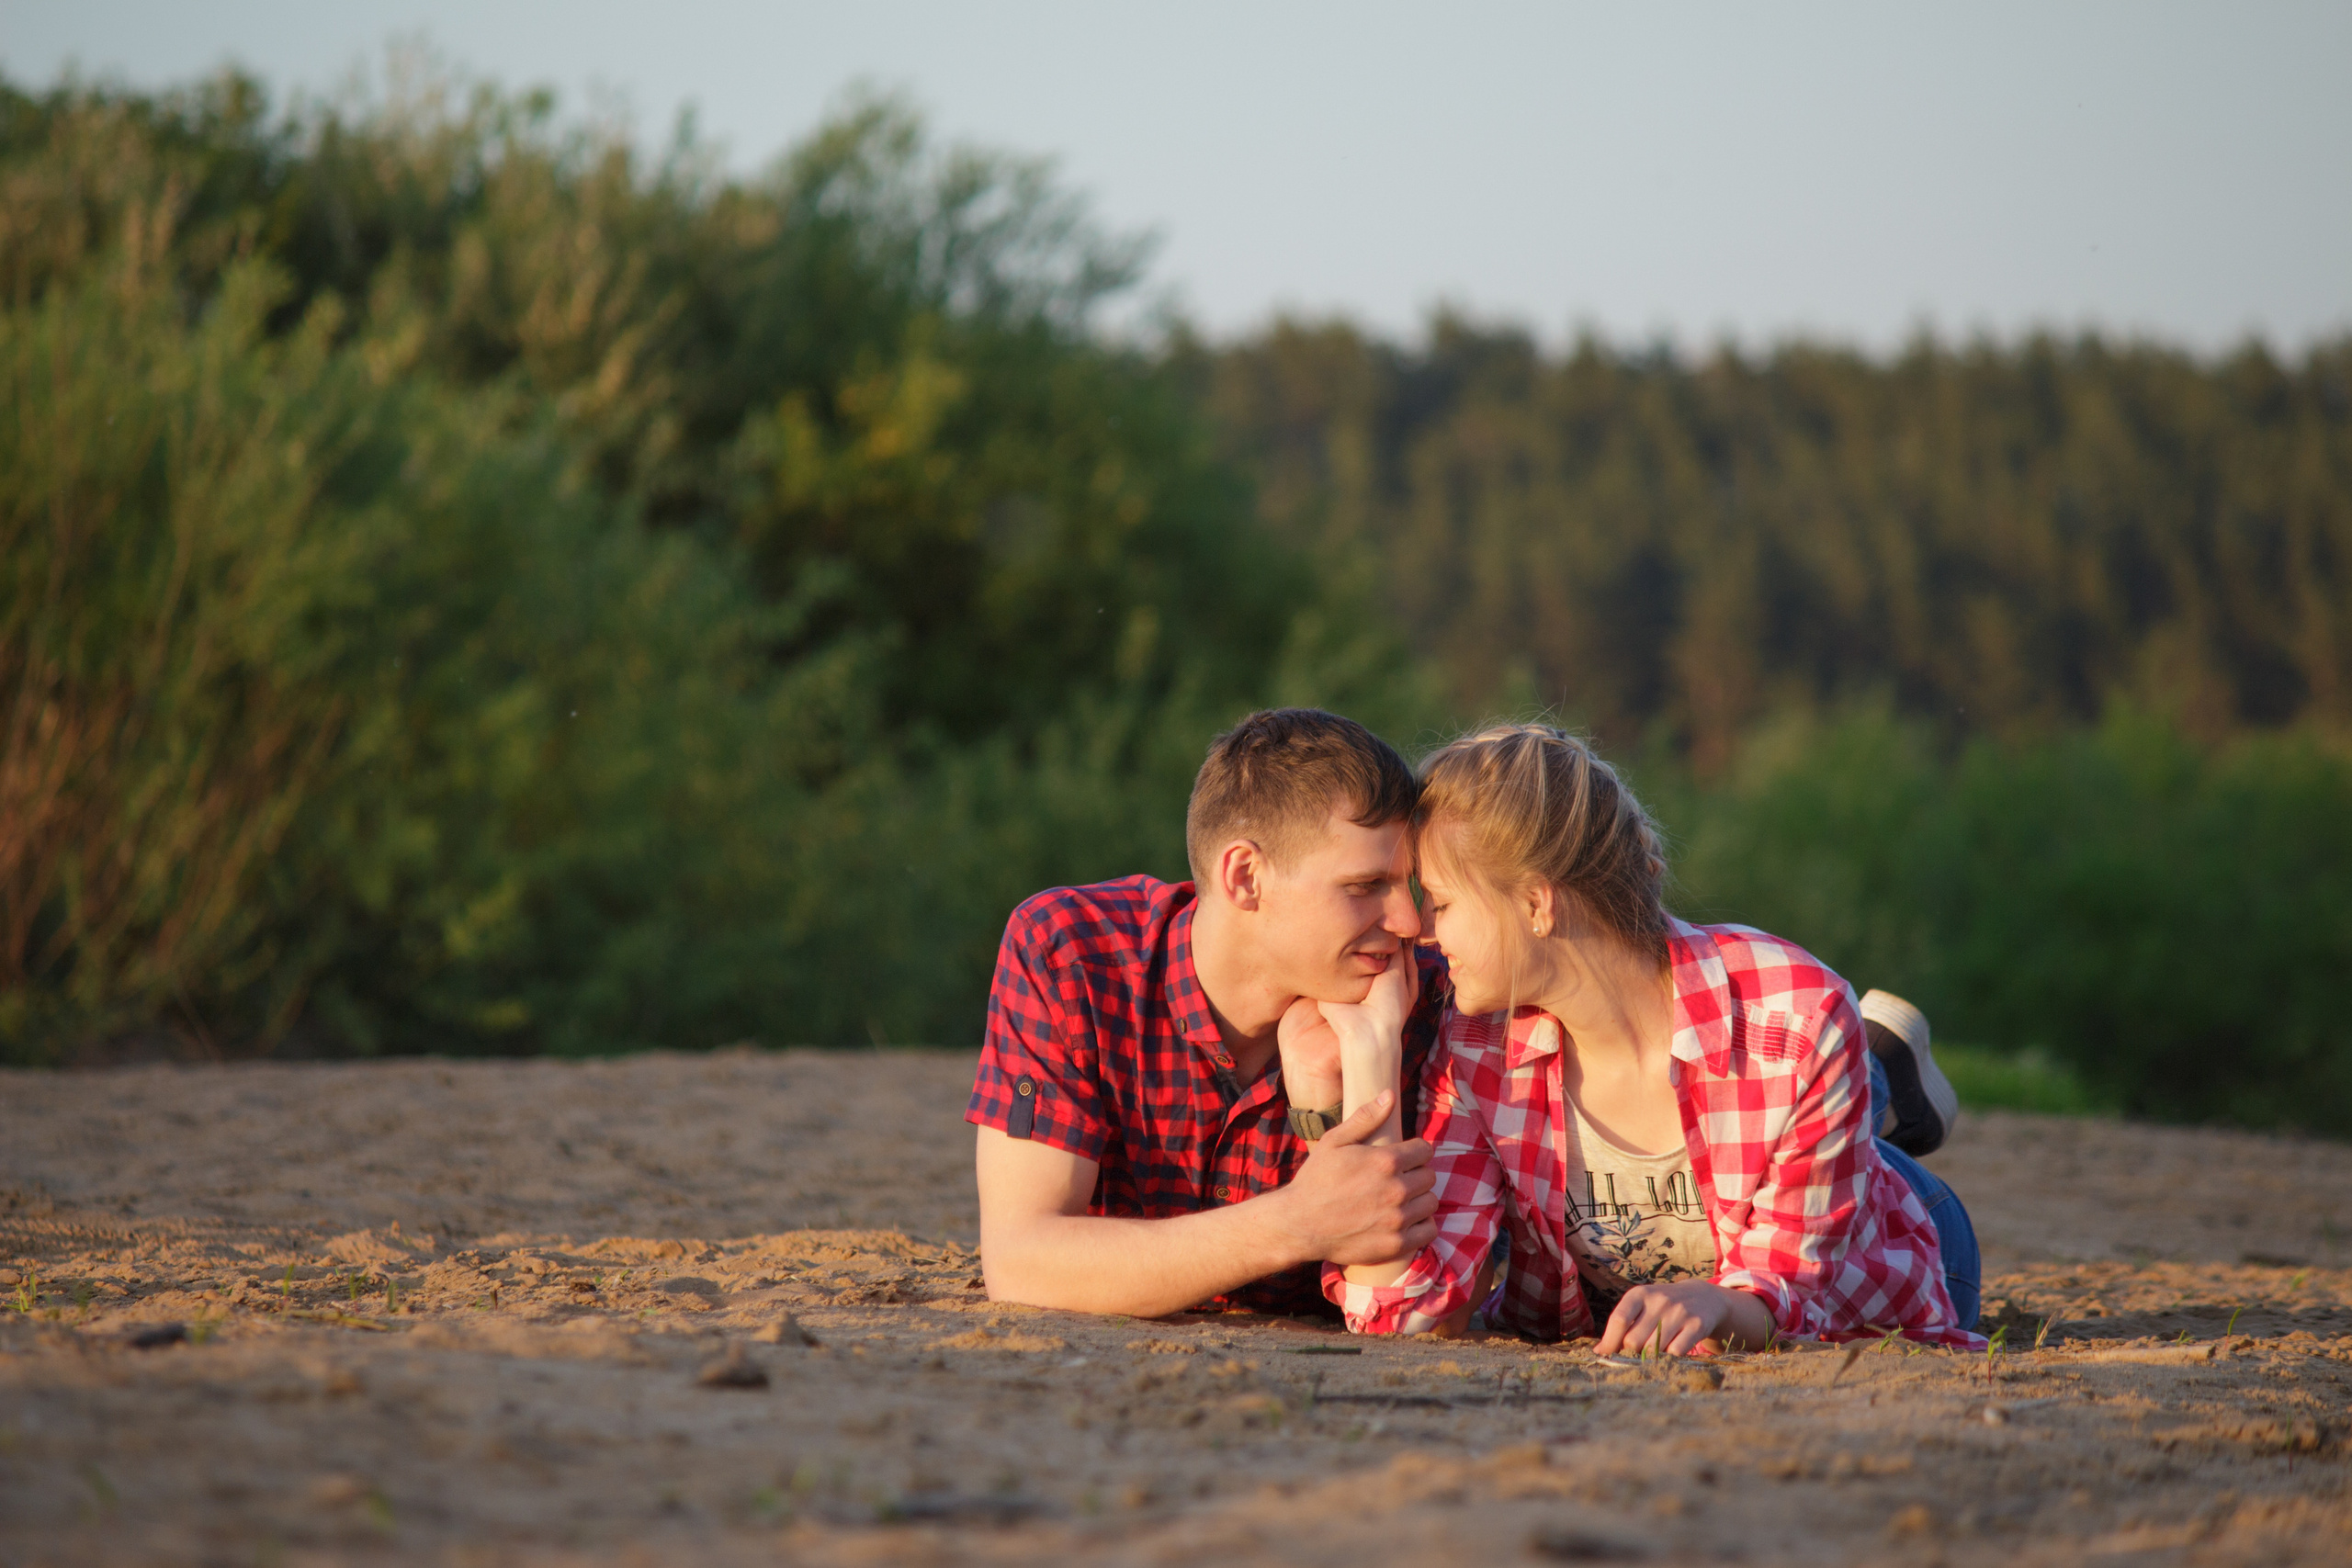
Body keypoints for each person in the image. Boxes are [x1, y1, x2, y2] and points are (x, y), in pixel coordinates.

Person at [1298, 723, 1983, 1351]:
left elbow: (1797, 1290)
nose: (1419, 928)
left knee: (1852, 1117)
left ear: (1536, 903)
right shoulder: (1477, 1040)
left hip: (1884, 1255)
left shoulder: (1797, 1017)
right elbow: (1410, 1312)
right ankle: (1882, 1072)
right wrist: (1369, 1055)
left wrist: (1717, 1302)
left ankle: (1880, 1069)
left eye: (1440, 902)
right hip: (1755, 1206)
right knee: (1830, 1101)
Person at [967, 708, 1449, 1319]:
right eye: (1364, 886)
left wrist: (1352, 1076)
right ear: (1244, 876)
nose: (1409, 922)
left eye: (1407, 886)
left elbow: (1409, 1317)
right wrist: (1298, 1223)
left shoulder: (1422, 991)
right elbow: (1021, 1260)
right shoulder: (1072, 954)